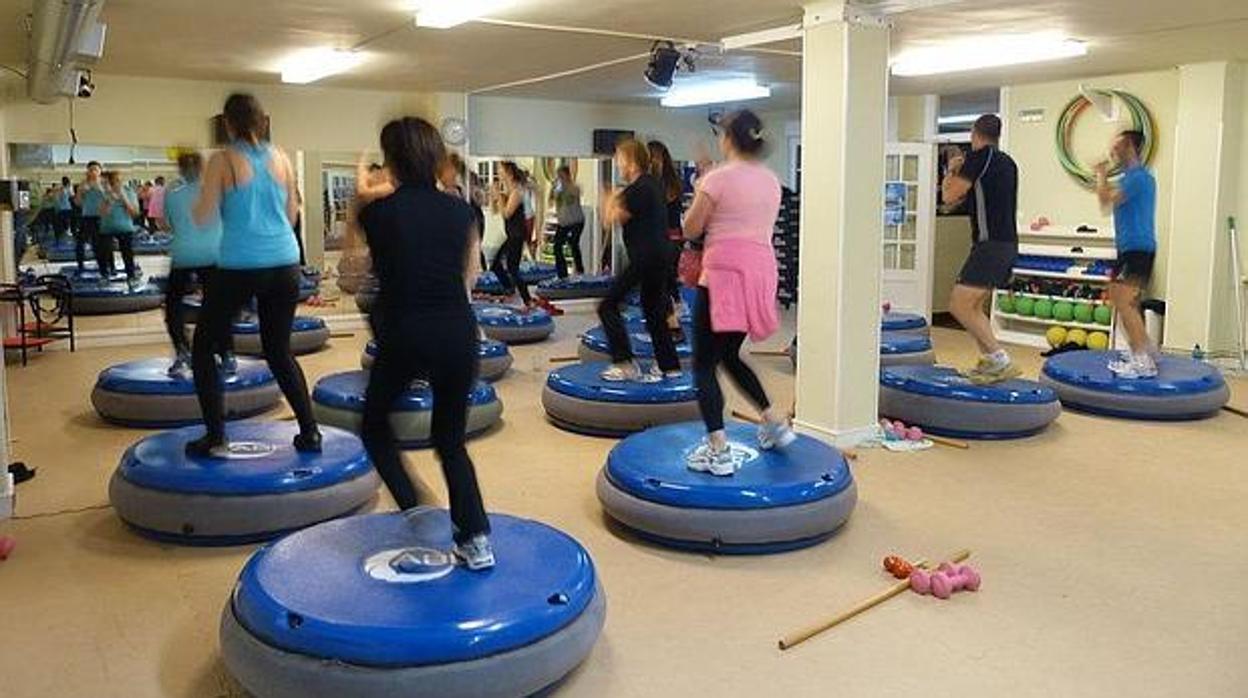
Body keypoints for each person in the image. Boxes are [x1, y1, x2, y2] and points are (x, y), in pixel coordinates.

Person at [356, 116, 494, 569]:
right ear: (435, 158)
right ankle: (476, 540)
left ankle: (413, 504)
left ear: (392, 162)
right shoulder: (460, 212)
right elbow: (462, 271)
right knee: (450, 441)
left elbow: (359, 257)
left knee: (375, 425)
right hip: (457, 334)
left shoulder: (378, 214)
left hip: (405, 333)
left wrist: (370, 185)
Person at [187, 92, 320, 457]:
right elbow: (293, 214)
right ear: (262, 121)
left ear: (228, 124)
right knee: (278, 349)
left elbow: (203, 216)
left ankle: (215, 436)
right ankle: (310, 432)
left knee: (203, 347)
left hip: (241, 266)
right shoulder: (283, 158)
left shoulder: (223, 160)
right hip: (285, 263)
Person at [680, 110, 792, 475]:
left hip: (725, 275)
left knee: (703, 364)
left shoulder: (718, 178)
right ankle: (774, 420)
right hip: (758, 273)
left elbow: (690, 228)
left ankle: (718, 449)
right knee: (729, 354)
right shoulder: (771, 180)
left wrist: (702, 186)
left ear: (729, 138)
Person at [941, 114, 1021, 384]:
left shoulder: (979, 158)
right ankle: (990, 361)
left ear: (975, 133)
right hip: (1006, 244)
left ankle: (1000, 359)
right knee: (973, 306)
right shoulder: (1006, 161)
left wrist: (952, 169)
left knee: (958, 304)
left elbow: (948, 196)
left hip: (991, 246)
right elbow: (958, 203)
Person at [597, 139, 681, 382]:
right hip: (659, 256)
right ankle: (669, 365)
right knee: (654, 310)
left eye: (620, 158)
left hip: (645, 257)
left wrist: (609, 198)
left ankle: (624, 363)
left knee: (608, 306)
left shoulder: (638, 189)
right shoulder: (652, 185)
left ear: (632, 162)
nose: (618, 163)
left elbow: (610, 219)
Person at [163, 152, 234, 376]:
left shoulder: (172, 194)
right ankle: (226, 353)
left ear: (181, 170)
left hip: (183, 255)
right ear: (202, 169)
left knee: (173, 306)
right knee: (219, 305)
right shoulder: (216, 191)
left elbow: (168, 225)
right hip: (214, 254)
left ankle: (183, 350)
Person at [1095, 130, 1158, 378]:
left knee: (1123, 302)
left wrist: (1100, 174)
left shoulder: (1137, 178)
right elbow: (1107, 204)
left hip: (1136, 248)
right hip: (1133, 248)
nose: (1113, 151)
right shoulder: (1135, 177)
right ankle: (1142, 351)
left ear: (1130, 146)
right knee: (1124, 302)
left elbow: (1105, 200)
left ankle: (1143, 359)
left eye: (1118, 146)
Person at [648, 140, 688, 341]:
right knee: (665, 281)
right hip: (671, 238)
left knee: (662, 282)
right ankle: (672, 315)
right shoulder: (669, 182)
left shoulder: (663, 184)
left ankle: (674, 324)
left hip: (667, 239)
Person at [489, 161, 536, 309]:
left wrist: (498, 196)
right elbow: (495, 211)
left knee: (512, 268)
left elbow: (507, 214)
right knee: (498, 265)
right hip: (512, 235)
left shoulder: (517, 191)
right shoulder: (509, 191)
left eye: (500, 170)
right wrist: (495, 197)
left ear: (508, 172)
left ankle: (527, 300)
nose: (498, 172)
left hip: (516, 235)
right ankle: (511, 290)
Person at [97, 170, 141, 285]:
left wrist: (124, 198)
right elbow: (102, 213)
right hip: (106, 228)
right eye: (115, 181)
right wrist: (110, 199)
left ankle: (131, 276)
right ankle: (104, 275)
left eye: (118, 180)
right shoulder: (102, 193)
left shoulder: (129, 191)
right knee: (103, 252)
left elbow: (135, 213)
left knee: (127, 253)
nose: (117, 183)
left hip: (125, 227)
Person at [549, 165, 585, 279]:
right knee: (557, 246)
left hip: (576, 221)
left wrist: (561, 189)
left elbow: (571, 197)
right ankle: (562, 273)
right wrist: (554, 190)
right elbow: (551, 201)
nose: (560, 178)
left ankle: (580, 270)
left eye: (562, 176)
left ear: (567, 175)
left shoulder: (574, 187)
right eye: (558, 176)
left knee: (573, 243)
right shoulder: (558, 189)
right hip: (564, 223)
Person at [74, 161, 105, 273]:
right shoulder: (83, 184)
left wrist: (98, 188)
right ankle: (80, 265)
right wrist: (81, 192)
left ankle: (105, 268)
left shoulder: (104, 184)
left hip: (101, 218)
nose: (93, 172)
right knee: (80, 242)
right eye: (90, 169)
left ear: (100, 171)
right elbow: (77, 202)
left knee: (100, 244)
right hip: (87, 217)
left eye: (95, 169)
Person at [54, 177, 73, 241]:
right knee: (64, 221)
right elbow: (58, 198)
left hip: (65, 207)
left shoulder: (67, 189)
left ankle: (66, 231)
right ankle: (64, 232)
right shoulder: (62, 189)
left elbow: (71, 195)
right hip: (64, 208)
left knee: (65, 221)